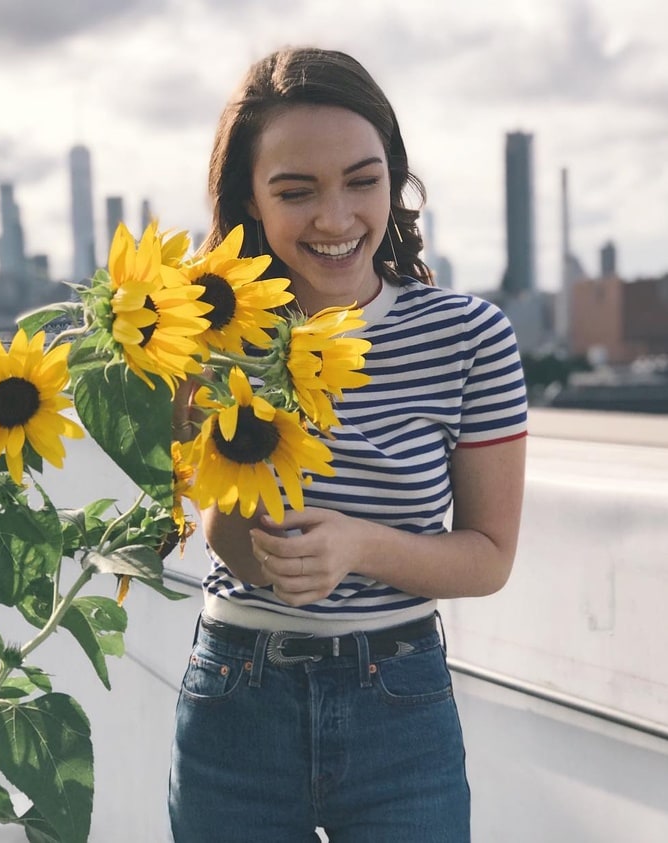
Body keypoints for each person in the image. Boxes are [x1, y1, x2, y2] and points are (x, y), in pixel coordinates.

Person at [169, 46, 527, 843]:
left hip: (400, 703)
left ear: (394, 182)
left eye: (362, 181)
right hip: (237, 693)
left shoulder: (468, 337)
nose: (335, 219)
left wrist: (357, 545)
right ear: (252, 202)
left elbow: (489, 555)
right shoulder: (208, 337)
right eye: (297, 192)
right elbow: (217, 527)